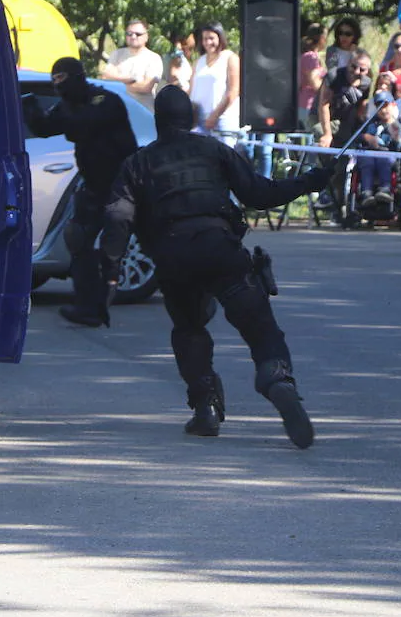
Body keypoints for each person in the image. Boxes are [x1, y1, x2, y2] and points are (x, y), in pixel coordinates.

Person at [102, 84, 328, 448]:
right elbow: (260, 194)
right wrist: (310, 181)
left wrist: (110, 273)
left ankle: (206, 408)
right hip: (220, 248)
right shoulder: (214, 150)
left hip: (174, 259)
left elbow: (117, 217)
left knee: (189, 328)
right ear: (191, 119)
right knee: (259, 325)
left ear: (157, 121)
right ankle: (277, 377)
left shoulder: (138, 163)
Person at [25, 56, 139, 327]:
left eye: (61, 79)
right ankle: (89, 307)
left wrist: (61, 111)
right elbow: (44, 128)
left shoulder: (104, 101)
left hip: (123, 186)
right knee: (78, 240)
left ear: (75, 77)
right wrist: (28, 107)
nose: (57, 85)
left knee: (149, 241)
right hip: (94, 185)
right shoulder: (68, 106)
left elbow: (83, 123)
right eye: (54, 80)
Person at [356, 91, 401, 213]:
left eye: (386, 106)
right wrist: (366, 137)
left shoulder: (397, 124)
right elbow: (358, 137)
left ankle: (385, 189)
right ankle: (366, 193)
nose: (383, 110)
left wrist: (396, 138)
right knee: (366, 161)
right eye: (380, 107)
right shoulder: (370, 123)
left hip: (388, 153)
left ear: (393, 105)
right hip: (370, 153)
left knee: (384, 159)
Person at [188, 21, 241, 136]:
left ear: (220, 37)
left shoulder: (230, 57)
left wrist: (215, 115)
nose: (208, 42)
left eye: (211, 38)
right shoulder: (198, 61)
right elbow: (191, 90)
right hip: (199, 120)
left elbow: (234, 91)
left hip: (223, 120)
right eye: (204, 39)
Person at [102, 19, 161, 110]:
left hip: (142, 112)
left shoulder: (153, 58)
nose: (133, 36)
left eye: (138, 34)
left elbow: (146, 87)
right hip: (117, 111)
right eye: (129, 34)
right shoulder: (116, 54)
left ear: (146, 37)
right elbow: (105, 77)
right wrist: (131, 79)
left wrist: (116, 82)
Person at [297, 23, 327, 130]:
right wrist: (328, 93)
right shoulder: (310, 57)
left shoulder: (308, 55)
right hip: (308, 106)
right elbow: (314, 82)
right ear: (322, 38)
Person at [325, 17, 362, 83]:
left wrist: (354, 54)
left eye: (348, 34)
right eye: (340, 33)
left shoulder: (360, 52)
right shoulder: (332, 51)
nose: (343, 37)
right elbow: (332, 72)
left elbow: (366, 75)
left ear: (355, 36)